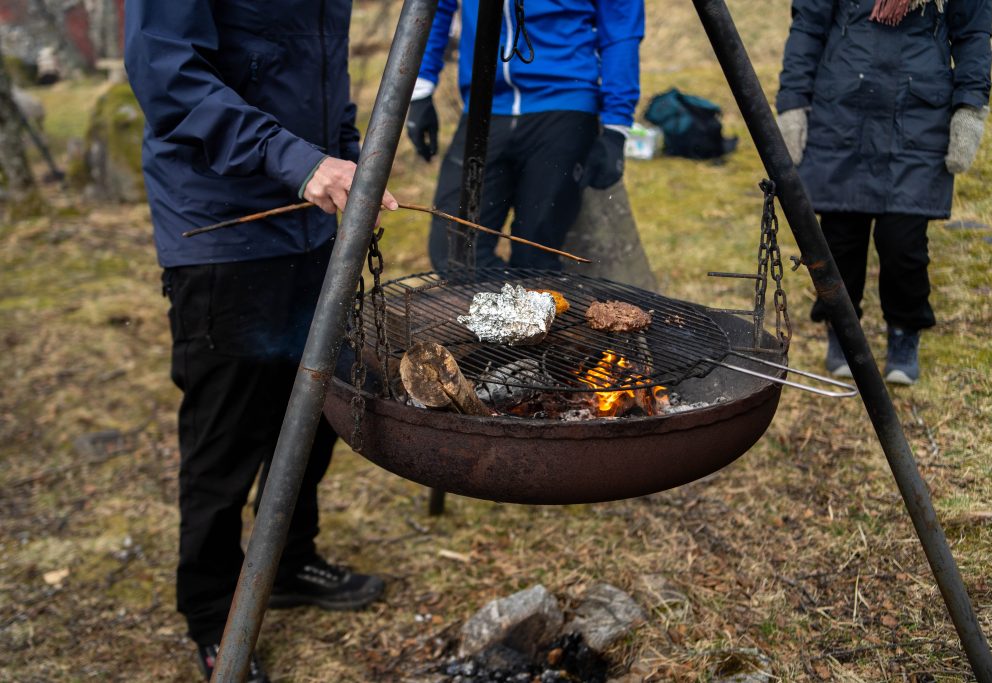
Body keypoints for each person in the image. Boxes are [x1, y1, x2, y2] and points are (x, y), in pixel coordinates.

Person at [124, 3, 397, 680]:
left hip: (310, 219)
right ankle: (215, 610)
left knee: (314, 408)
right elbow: (167, 73)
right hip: (223, 224)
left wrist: (347, 153)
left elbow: (322, 72)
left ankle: (289, 557)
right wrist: (297, 161)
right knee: (228, 430)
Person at [775, 0, 992, 384]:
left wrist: (970, 108)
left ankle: (905, 331)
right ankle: (841, 327)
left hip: (919, 111)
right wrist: (793, 100)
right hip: (842, 107)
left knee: (903, 244)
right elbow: (808, 23)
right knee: (839, 239)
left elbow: (973, 32)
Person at [405, 0, 645, 271]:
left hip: (564, 100)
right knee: (455, 254)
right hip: (483, 105)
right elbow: (433, 5)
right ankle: (510, 309)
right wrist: (420, 87)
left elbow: (620, 21)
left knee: (535, 256)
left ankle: (539, 305)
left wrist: (616, 125)